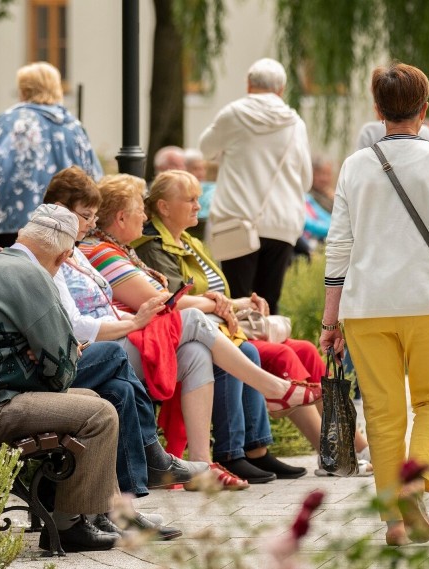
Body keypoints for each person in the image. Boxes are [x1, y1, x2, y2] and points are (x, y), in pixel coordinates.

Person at [320, 63, 429, 546]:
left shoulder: (355, 165)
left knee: (382, 411)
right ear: (424, 109)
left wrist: (330, 320)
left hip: (365, 306)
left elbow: (338, 247)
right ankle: (416, 481)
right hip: (427, 301)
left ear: (378, 110)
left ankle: (393, 519)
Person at [133, 169, 372, 474]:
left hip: (224, 327)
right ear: (164, 207)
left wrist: (243, 303)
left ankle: (354, 446)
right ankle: (303, 454)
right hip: (208, 333)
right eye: (190, 199)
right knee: (274, 353)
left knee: (306, 351)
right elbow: (175, 298)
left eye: (197, 199)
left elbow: (214, 295)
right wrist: (230, 304)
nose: (197, 205)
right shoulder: (153, 246)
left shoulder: (191, 242)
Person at [79, 174, 322, 471]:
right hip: (117, 343)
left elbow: (174, 297)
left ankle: (202, 465)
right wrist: (225, 304)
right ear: (120, 217)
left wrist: (227, 304)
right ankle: (240, 442)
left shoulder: (134, 248)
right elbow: (164, 303)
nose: (144, 216)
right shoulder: (109, 251)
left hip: (144, 334)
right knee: (238, 346)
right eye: (138, 210)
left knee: (199, 353)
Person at [0, 204, 121, 553]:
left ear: (24, 236)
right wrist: (57, 355)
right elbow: (62, 372)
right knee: (102, 414)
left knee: (92, 401)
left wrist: (44, 356)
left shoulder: (4, 263)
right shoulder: (31, 276)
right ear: (64, 256)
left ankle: (95, 514)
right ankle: (68, 527)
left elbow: (54, 360)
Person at [199, 58, 312, 314]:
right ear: (281, 89)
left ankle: (244, 353)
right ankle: (270, 353)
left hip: (237, 222)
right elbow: (305, 180)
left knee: (237, 304)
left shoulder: (234, 114)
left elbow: (206, 149)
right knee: (269, 306)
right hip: (282, 224)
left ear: (249, 85)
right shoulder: (296, 124)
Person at [0, 62, 103, 261]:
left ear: (24, 89)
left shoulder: (8, 122)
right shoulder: (73, 126)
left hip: (12, 223)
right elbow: (94, 177)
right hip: (65, 224)